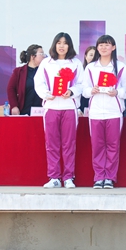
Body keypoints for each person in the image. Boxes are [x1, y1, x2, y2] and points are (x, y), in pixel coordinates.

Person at [34, 33, 84, 188]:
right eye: (59, 43)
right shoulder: (46, 63)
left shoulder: (76, 63)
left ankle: (68, 177)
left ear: (69, 46)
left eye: (65, 43)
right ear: (54, 45)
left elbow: (81, 84)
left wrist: (72, 91)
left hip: (69, 107)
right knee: (52, 143)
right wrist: (46, 94)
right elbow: (38, 82)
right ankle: (54, 177)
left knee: (69, 143)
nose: (62, 46)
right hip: (51, 108)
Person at [82, 35, 126, 189]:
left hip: (114, 112)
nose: (103, 48)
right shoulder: (91, 68)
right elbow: (84, 90)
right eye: (100, 45)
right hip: (95, 112)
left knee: (113, 146)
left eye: (107, 45)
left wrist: (117, 92)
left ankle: (109, 177)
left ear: (113, 47)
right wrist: (92, 90)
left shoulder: (120, 67)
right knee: (97, 146)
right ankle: (99, 177)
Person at [7, 44, 45, 116]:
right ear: (33, 56)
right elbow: (11, 89)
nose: (44, 56)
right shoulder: (19, 72)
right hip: (24, 110)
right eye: (41, 54)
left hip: (41, 110)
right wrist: (14, 106)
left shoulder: (45, 72)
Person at [79, 46, 97, 115]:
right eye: (91, 55)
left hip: (96, 103)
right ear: (86, 57)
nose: (93, 58)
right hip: (82, 103)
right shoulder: (80, 71)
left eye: (95, 55)